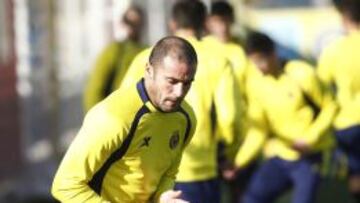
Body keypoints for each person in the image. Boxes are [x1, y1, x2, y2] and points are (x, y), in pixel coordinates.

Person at [120, 1, 242, 202]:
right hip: (200, 171)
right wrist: (227, 153)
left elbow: (123, 107)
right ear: (205, 23)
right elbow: (231, 117)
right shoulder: (219, 60)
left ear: (172, 23)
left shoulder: (147, 58)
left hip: (150, 170)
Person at [51, 36, 198, 203]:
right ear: (149, 70)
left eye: (187, 83)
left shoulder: (185, 119)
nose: (179, 92)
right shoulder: (112, 117)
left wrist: (162, 196)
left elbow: (168, 173)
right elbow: (65, 185)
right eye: (172, 81)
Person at [231, 32, 337, 203]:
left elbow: (331, 106)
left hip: (311, 157)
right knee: (251, 199)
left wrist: (310, 138)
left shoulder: (302, 73)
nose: (259, 67)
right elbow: (259, 130)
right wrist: (239, 162)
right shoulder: (256, 84)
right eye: (254, 62)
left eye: (261, 60)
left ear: (273, 53)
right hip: (280, 155)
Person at [317, 0, 360, 202]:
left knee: (355, 172)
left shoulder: (335, 49)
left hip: (347, 122)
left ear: (345, 19)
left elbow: (320, 84)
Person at [83, 5, 146, 112]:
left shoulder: (146, 51)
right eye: (128, 22)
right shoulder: (114, 51)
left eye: (136, 23)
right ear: (122, 23)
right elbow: (95, 90)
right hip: (115, 114)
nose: (132, 27)